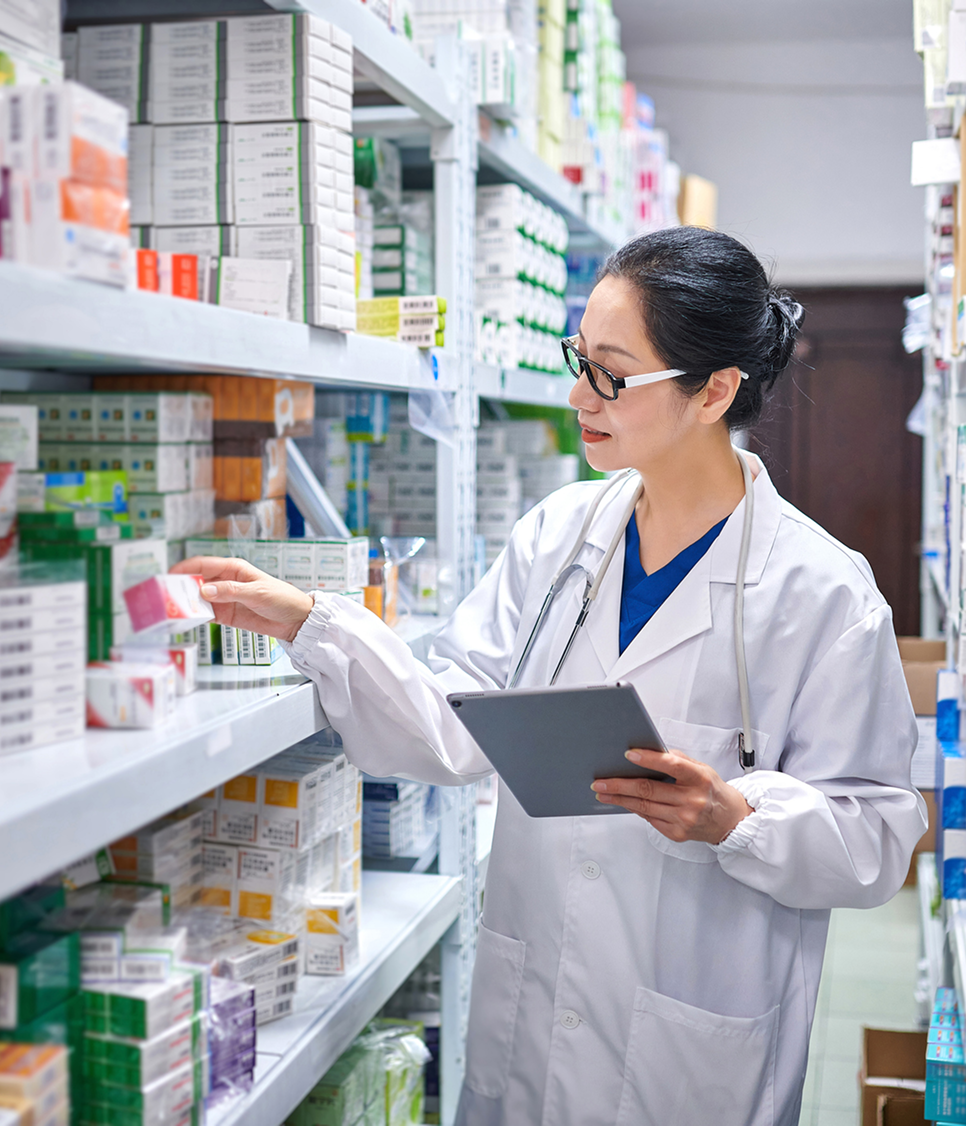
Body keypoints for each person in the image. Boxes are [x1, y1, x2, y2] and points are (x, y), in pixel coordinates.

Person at [175, 226, 925, 1126]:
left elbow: (879, 834)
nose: (579, 395)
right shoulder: (558, 537)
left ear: (714, 391)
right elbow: (458, 723)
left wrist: (739, 818)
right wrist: (313, 623)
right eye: (580, 359)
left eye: (611, 373)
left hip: (690, 1054)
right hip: (534, 1023)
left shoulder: (823, 594)